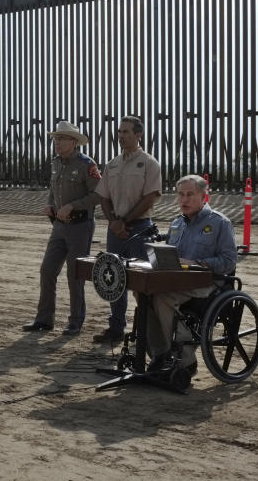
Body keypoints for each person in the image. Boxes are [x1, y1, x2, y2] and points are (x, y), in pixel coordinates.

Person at [145, 174, 238, 376]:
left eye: (190, 194)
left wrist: (198, 263)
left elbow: (229, 261)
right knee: (144, 293)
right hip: (178, 281)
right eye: (180, 194)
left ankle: (185, 359)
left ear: (205, 197)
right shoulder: (177, 224)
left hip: (208, 283)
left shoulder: (220, 223)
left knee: (163, 297)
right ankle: (159, 354)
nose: (184, 200)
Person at [22, 121, 101, 335]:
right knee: (47, 270)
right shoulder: (56, 162)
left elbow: (98, 195)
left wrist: (73, 205)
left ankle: (75, 321)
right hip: (59, 226)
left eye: (61, 139)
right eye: (55, 138)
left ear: (74, 142)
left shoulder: (86, 164)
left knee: (74, 275)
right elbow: (52, 188)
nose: (57, 143)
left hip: (80, 226)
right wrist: (50, 204)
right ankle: (44, 319)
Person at [92, 115, 162, 343]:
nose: (121, 136)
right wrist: (114, 221)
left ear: (138, 135)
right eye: (120, 132)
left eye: (126, 132)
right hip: (115, 229)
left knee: (142, 283)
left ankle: (143, 330)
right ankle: (116, 328)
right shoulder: (112, 164)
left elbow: (150, 197)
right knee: (114, 279)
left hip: (140, 228)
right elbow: (104, 196)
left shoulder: (149, 163)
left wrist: (125, 222)